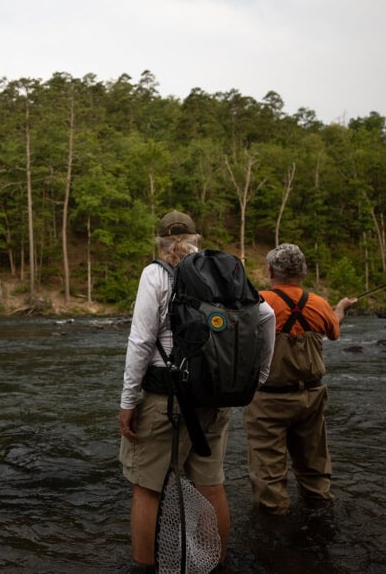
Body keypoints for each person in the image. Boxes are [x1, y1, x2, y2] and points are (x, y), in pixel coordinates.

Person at [118, 211, 276, 572]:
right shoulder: (225, 273)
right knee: (211, 485)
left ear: (159, 241)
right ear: (196, 239)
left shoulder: (155, 274)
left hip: (164, 399)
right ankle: (216, 564)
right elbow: (266, 317)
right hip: (215, 396)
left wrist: (128, 402)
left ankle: (144, 567)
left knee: (147, 488)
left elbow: (141, 342)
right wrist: (259, 377)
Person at [243, 243, 357, 515]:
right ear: (303, 272)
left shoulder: (259, 303)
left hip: (267, 401)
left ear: (270, 270)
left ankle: (275, 525)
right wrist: (340, 307)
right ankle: (320, 517)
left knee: (268, 472)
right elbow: (334, 329)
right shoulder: (318, 304)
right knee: (314, 464)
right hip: (311, 398)